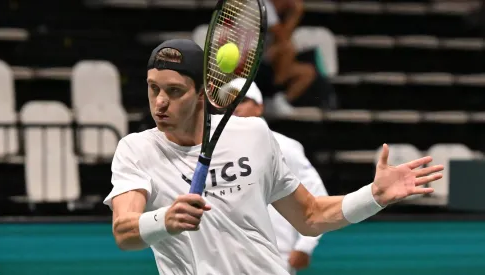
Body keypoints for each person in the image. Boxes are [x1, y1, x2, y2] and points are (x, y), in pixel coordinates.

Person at [103, 38, 444, 275]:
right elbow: (124, 230)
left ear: (203, 94)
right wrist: (164, 219)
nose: (159, 102)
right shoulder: (136, 149)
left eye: (174, 91)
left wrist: (373, 196)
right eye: (153, 88)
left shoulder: (252, 135)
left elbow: (309, 216)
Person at [232, 78, 327, 274]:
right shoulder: (212, 151)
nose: (234, 108)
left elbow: (317, 194)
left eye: (241, 101)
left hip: (276, 256)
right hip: (228, 257)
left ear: (259, 107)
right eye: (228, 103)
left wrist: (305, 245)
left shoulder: (284, 147)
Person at [261, 0, 317, 115]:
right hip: (251, 59)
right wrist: (295, 14)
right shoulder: (262, 4)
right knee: (287, 49)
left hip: (268, 60)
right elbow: (282, 36)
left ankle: (277, 100)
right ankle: (273, 92)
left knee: (307, 72)